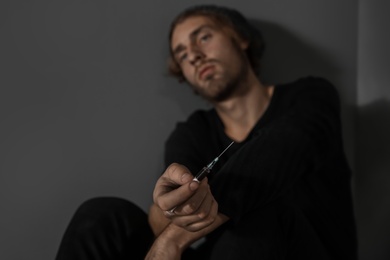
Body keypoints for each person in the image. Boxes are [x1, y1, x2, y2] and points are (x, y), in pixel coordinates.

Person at [55, 5, 357, 260]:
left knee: (262, 213)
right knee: (102, 214)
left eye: (204, 37)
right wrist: (170, 209)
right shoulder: (192, 132)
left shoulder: (310, 96)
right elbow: (166, 215)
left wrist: (172, 240)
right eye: (183, 55)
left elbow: (282, 151)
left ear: (240, 38)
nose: (195, 56)